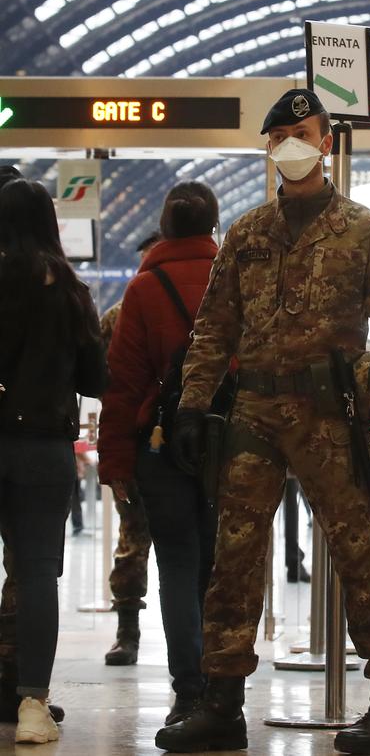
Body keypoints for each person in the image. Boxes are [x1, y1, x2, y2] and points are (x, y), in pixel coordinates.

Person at [155, 88, 370, 755]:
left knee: (358, 552)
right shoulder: (249, 234)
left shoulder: (363, 230)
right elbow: (213, 328)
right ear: (268, 145)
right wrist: (192, 404)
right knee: (235, 556)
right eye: (280, 133)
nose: (291, 143)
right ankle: (221, 701)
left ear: (327, 143)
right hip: (253, 410)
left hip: (327, 414)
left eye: (303, 131)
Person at [98, 183, 219, 726]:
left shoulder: (143, 289)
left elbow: (122, 385)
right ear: (214, 224)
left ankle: (188, 692)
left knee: (176, 563)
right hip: (231, 442)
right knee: (224, 571)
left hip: (161, 444)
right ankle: (224, 691)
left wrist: (116, 464)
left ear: (164, 227)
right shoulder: (236, 277)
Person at [0, 178, 106, 744]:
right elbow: (97, 379)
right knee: (38, 573)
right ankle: (33, 707)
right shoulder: (70, 289)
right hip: (43, 447)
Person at [102, 232, 159, 667]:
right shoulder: (116, 317)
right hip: (136, 447)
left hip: (174, 444)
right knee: (133, 540)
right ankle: (128, 629)